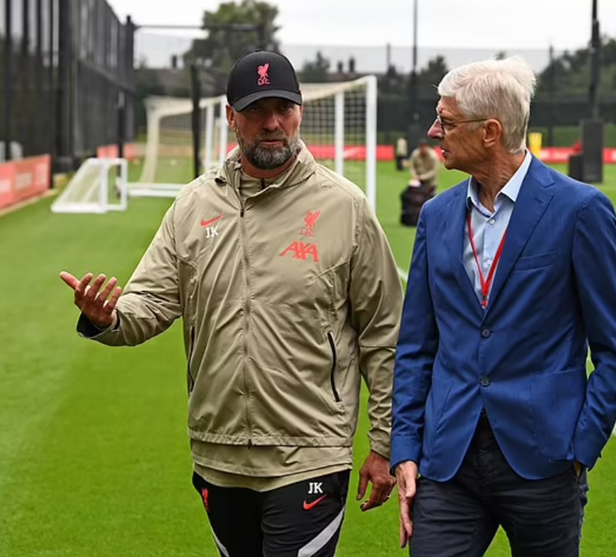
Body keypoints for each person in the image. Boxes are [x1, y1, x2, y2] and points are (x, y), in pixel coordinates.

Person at [60, 50, 402, 557]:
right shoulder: (194, 205)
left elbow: (385, 331)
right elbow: (151, 301)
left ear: (300, 110)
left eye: (283, 108)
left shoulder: (345, 207)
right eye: (257, 110)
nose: (272, 123)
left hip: (309, 452)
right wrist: (109, 318)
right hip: (218, 453)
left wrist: (384, 442)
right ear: (230, 116)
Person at [391, 56, 616, 557]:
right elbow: (416, 346)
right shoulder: (434, 216)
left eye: (447, 121)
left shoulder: (581, 211)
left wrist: (581, 447)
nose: (435, 131)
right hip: (447, 461)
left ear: (490, 132)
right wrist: (406, 450)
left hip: (545, 463)